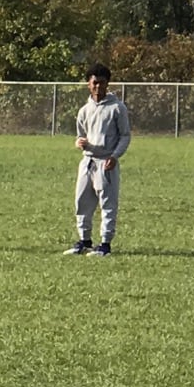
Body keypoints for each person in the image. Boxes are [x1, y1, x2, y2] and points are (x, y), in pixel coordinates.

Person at [65, 63, 131, 255]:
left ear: (107, 84)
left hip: (106, 162)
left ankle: (105, 245)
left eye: (102, 83)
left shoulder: (117, 108)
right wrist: (80, 142)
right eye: (94, 83)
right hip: (87, 162)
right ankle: (84, 241)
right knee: (82, 202)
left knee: (107, 204)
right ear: (88, 84)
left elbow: (125, 135)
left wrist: (115, 156)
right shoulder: (84, 110)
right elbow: (80, 134)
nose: (98, 87)